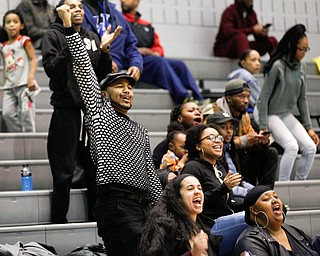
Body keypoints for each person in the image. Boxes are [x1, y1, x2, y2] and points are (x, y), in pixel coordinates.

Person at [56, 5, 162, 256]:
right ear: (104, 93)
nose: (127, 91)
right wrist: (68, 26)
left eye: (130, 87)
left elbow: (152, 178)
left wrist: (161, 214)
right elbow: (83, 68)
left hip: (144, 207)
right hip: (116, 204)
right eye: (120, 86)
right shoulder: (99, 113)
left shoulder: (140, 130)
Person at [42, 0, 113, 224]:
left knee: (96, 174)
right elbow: (52, 69)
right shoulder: (53, 35)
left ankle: (96, 223)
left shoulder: (92, 37)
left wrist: (104, 52)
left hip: (92, 115)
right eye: (71, 6)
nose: (78, 10)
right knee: (63, 175)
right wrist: (71, 41)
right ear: (60, 12)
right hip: (66, 113)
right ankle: (58, 224)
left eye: (80, 6)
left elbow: (101, 75)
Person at [256, 24, 319, 181]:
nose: (303, 53)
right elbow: (263, 98)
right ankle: (284, 185)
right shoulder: (277, 66)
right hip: (268, 112)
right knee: (291, 146)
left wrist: (309, 128)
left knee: (311, 147)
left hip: (284, 113)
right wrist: (263, 127)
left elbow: (302, 99)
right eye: (300, 49)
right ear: (291, 46)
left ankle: (299, 181)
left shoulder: (301, 67)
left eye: (306, 49)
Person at [121, 0, 205, 104]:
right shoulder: (119, 20)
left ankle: (199, 97)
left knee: (179, 65)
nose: (123, 1)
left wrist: (156, 52)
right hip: (131, 60)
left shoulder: (146, 25)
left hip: (149, 59)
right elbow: (118, 46)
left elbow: (157, 46)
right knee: (158, 62)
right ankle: (183, 98)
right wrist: (137, 51)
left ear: (136, 2)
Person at [181, 124, 247, 256]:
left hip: (226, 219)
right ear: (198, 146)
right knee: (257, 216)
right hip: (209, 226)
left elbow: (227, 203)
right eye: (211, 137)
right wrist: (223, 188)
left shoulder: (219, 168)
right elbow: (189, 203)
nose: (218, 141)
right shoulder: (192, 167)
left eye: (219, 137)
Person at [205, 79, 278, 188]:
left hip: (237, 158)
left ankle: (266, 193)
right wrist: (243, 140)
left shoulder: (244, 115)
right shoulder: (212, 112)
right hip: (219, 159)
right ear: (229, 98)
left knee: (270, 152)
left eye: (248, 97)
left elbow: (250, 138)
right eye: (241, 96)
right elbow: (206, 141)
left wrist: (261, 141)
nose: (246, 100)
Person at [139, 174, 221, 256]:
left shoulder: (201, 227)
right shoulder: (168, 228)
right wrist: (192, 254)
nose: (197, 191)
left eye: (200, 188)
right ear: (178, 198)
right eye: (190, 189)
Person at [233, 185, 318, 255]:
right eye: (266, 199)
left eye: (276, 196)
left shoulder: (294, 231)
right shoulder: (250, 241)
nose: (274, 200)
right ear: (254, 210)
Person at [81, 0, 142, 82]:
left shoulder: (117, 16)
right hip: (88, 73)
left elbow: (131, 46)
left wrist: (136, 64)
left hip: (116, 73)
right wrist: (106, 60)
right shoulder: (78, 12)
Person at [206, 112, 254, 212]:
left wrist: (256, 190)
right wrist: (251, 193)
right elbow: (226, 186)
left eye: (231, 128)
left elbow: (239, 180)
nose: (229, 131)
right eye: (224, 127)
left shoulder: (230, 149)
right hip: (225, 197)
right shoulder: (213, 156)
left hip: (238, 190)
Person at [1, 10, 38, 132]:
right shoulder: (4, 46)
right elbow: (6, 66)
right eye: (8, 22)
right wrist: (4, 84)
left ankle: (30, 140)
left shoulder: (24, 41)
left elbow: (33, 59)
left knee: (27, 115)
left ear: (21, 25)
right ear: (4, 26)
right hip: (9, 87)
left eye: (15, 22)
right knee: (7, 113)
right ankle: (19, 136)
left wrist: (30, 78)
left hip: (24, 85)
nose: (11, 25)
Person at [152, 101, 203, 169]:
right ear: (179, 118)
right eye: (191, 111)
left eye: (200, 111)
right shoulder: (165, 146)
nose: (197, 113)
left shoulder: (204, 141)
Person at [227, 49, 261, 122]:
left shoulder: (236, 74)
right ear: (243, 62)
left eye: (259, 60)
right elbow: (259, 102)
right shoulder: (248, 77)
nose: (258, 63)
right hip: (248, 115)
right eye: (253, 60)